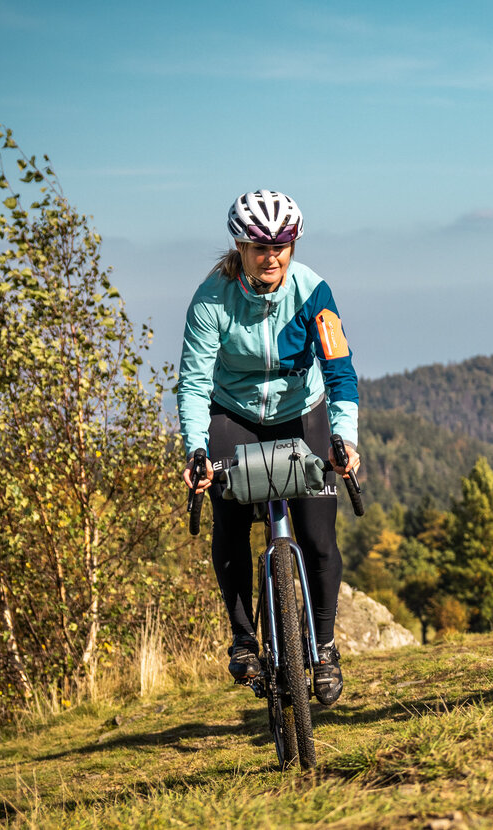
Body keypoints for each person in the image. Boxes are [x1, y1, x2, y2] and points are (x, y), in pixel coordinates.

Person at [179, 190, 361, 706]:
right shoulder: (211, 298)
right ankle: (243, 642)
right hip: (232, 414)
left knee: (319, 537)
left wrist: (343, 438)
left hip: (304, 413)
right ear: (240, 245)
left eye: (283, 244)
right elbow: (193, 385)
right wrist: (196, 451)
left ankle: (324, 650)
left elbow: (340, 371)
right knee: (230, 520)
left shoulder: (314, 292)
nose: (272, 255)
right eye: (260, 245)